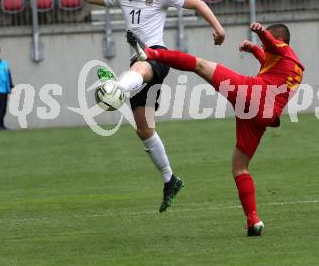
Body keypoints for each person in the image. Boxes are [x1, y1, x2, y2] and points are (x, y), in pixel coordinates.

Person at [48, 0, 226, 212]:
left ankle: (118, 87)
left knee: (140, 65)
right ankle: (170, 179)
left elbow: (197, 3)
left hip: (157, 56)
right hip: (138, 64)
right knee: (143, 128)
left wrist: (218, 29)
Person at [126, 22, 305, 236]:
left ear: (280, 40)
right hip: (264, 116)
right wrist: (254, 49)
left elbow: (272, 45)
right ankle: (253, 220)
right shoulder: (293, 65)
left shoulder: (281, 48)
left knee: (199, 65)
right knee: (240, 167)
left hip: (253, 95)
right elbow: (268, 59)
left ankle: (151, 53)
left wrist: (261, 32)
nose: (265, 47)